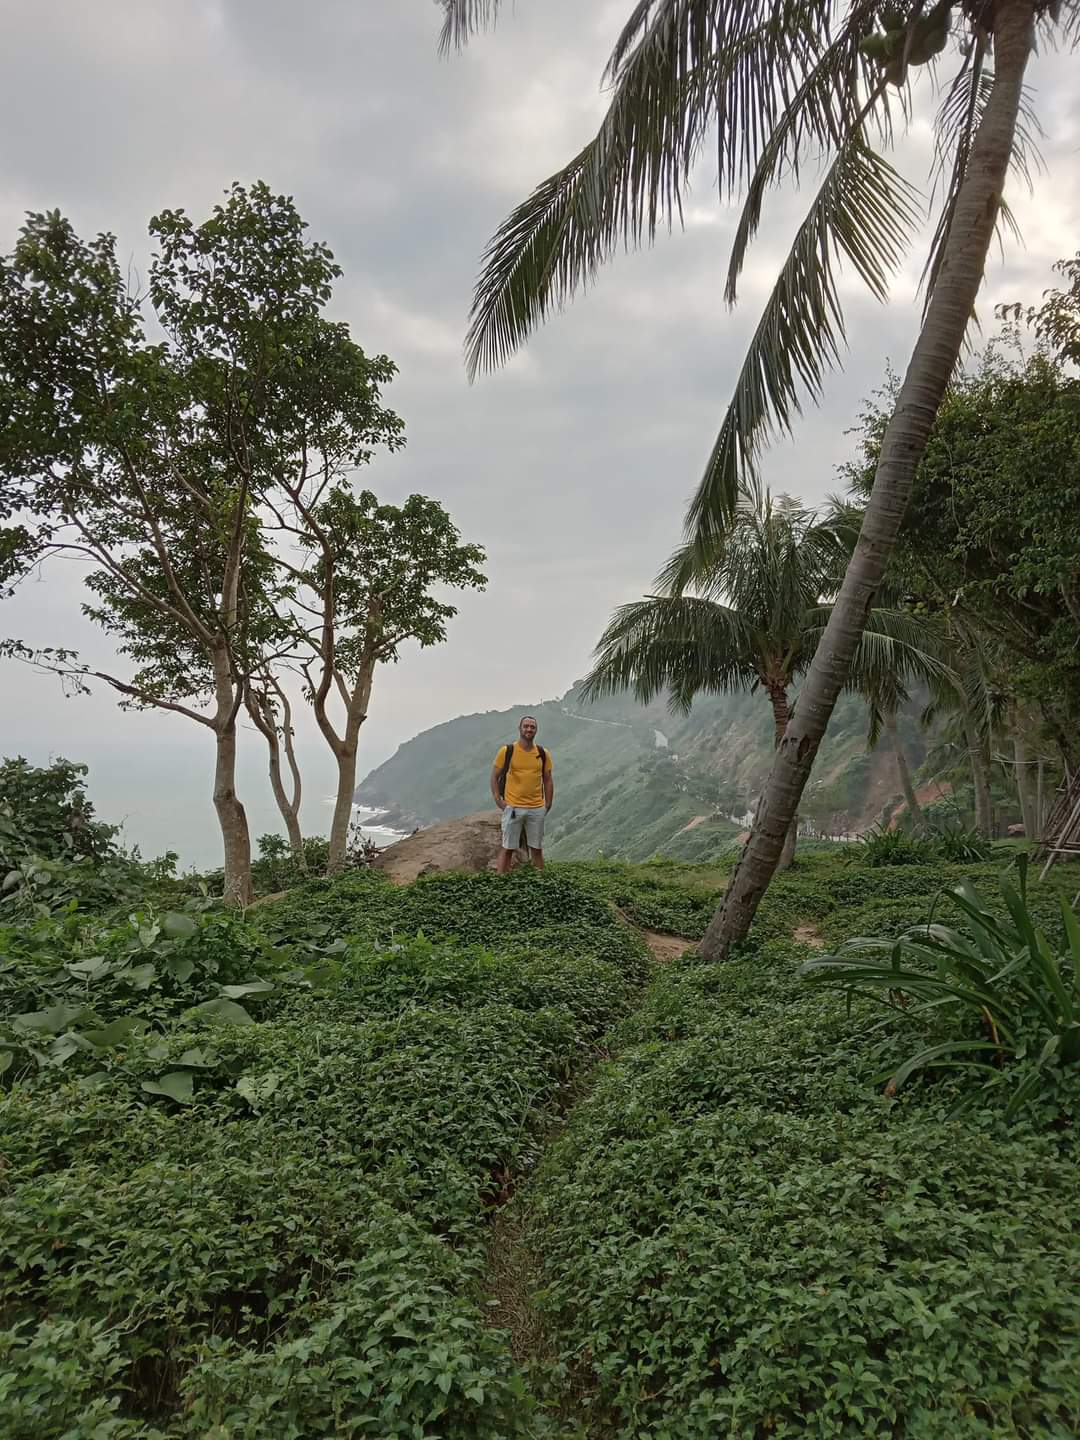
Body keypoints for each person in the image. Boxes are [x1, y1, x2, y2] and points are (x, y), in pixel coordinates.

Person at [490, 715, 554, 873]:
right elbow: (494, 776)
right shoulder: (507, 751)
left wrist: (548, 803)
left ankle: (540, 883)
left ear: (536, 730)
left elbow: (547, 779)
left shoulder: (542, 753)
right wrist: (498, 800)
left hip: (536, 808)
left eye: (532, 727)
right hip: (513, 807)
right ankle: (501, 882)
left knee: (537, 848)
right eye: (526, 726)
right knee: (508, 848)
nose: (529, 729)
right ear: (520, 729)